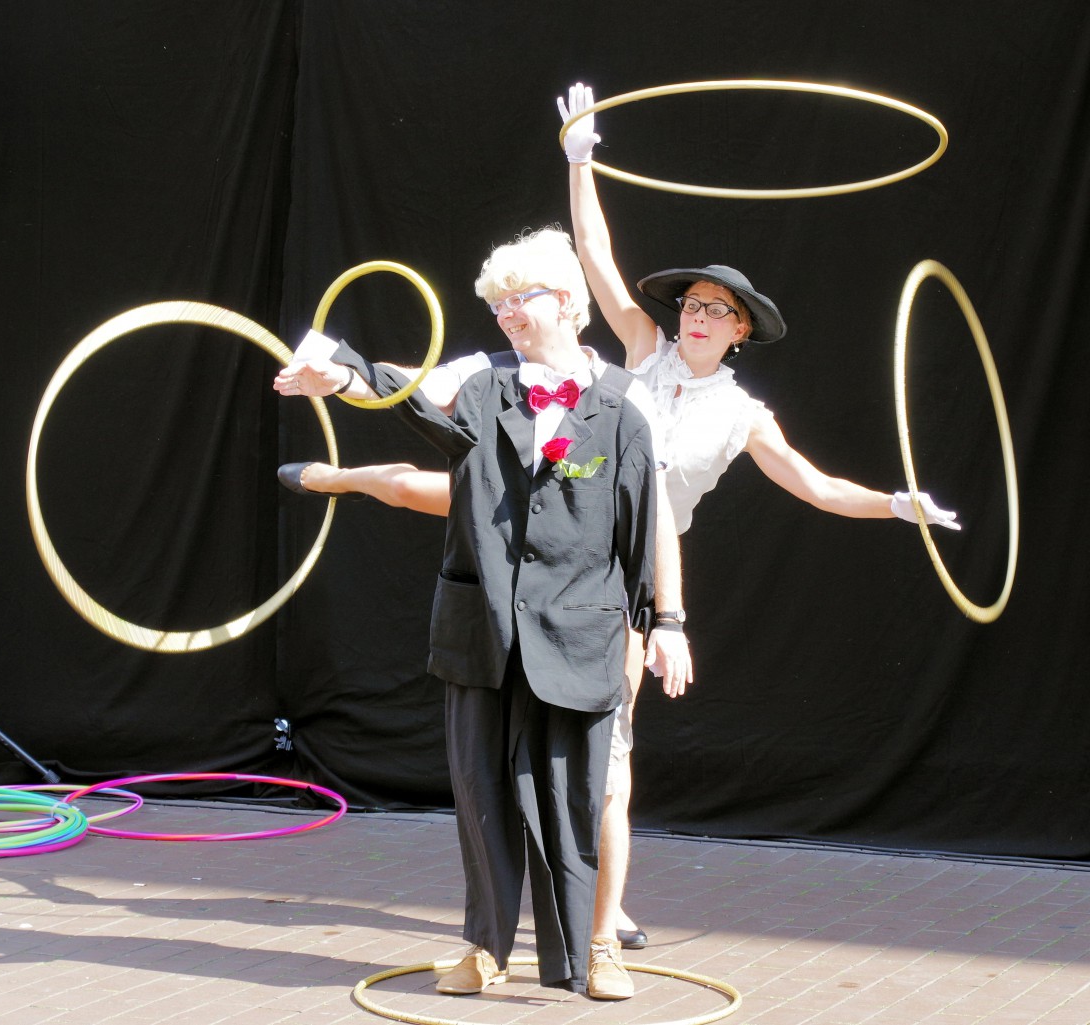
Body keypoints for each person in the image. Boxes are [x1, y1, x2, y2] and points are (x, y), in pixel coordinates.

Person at [276, 81, 961, 960]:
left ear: (741, 330)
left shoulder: (745, 416)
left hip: (617, 564)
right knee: (416, 481)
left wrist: (899, 503)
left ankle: (603, 915)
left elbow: (820, 487)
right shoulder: (642, 349)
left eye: (718, 311)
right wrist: (580, 157)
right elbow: (593, 255)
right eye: (693, 304)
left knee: (611, 749)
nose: (699, 317)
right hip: (546, 494)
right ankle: (335, 464)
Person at [274, 228, 690, 1001]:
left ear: (565, 301)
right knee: (481, 793)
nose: (506, 314)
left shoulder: (624, 403)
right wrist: (340, 375)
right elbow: (398, 389)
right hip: (486, 628)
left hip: (584, 632)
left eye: (519, 299)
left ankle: (599, 946)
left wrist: (664, 619)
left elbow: (648, 517)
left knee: (587, 794)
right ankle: (484, 945)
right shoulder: (481, 379)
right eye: (496, 303)